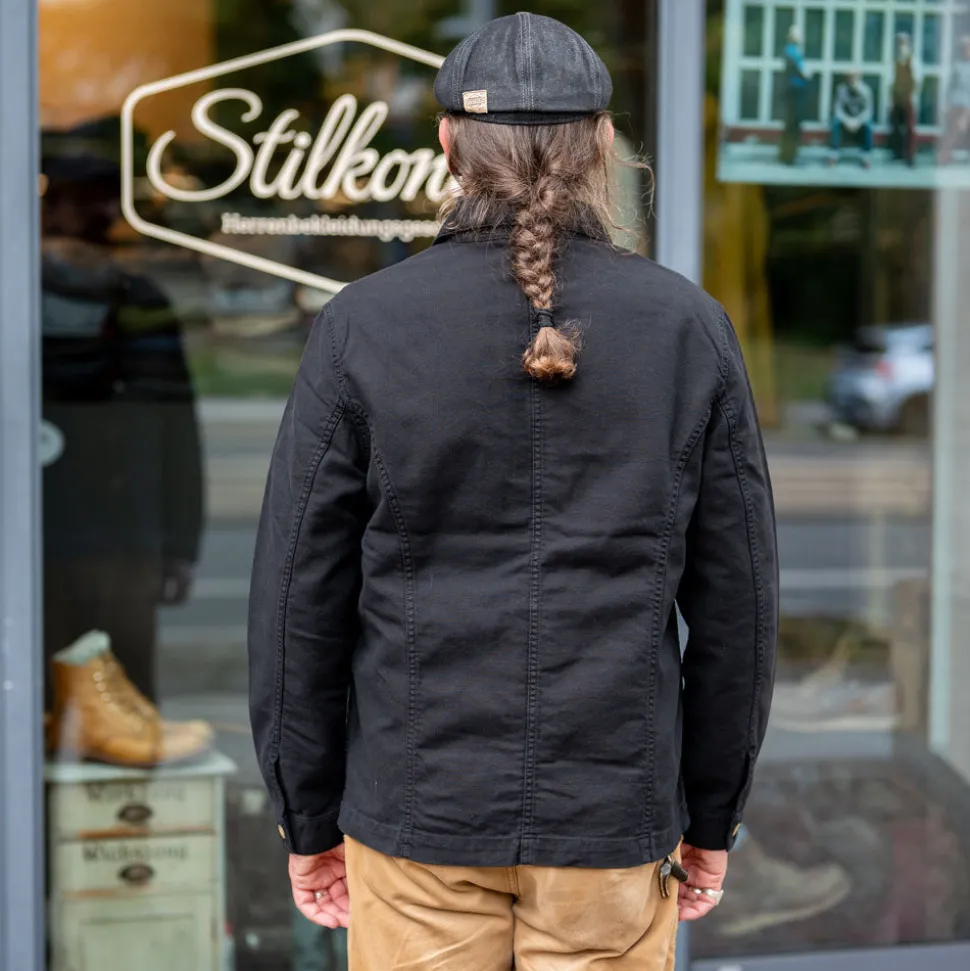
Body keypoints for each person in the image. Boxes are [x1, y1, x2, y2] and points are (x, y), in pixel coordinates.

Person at [249, 13, 778, 971]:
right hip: (610, 815)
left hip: (418, 810)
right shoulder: (686, 326)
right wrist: (712, 815)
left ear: (447, 143)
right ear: (604, 145)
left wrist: (307, 816)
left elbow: (297, 599)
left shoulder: (365, 325)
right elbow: (738, 609)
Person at [41, 127, 204, 710]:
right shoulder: (20, 296)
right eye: (83, 201)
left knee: (122, 704)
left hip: (119, 535)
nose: (99, 214)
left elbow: (174, 427)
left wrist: (179, 543)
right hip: (52, 529)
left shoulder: (137, 298)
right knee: (43, 701)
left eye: (105, 200)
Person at [829, 72, 874, 168]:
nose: (852, 80)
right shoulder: (841, 89)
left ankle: (866, 157)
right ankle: (833, 155)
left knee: (868, 125)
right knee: (835, 123)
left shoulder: (866, 90)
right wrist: (847, 121)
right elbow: (837, 108)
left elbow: (868, 110)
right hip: (846, 119)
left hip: (859, 119)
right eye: (850, 77)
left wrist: (858, 122)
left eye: (854, 77)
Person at [780, 24, 810, 165]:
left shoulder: (793, 51)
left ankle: (788, 154)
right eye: (799, 34)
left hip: (795, 91)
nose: (802, 37)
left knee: (792, 124)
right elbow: (804, 72)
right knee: (793, 124)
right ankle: (788, 156)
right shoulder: (792, 52)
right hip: (794, 92)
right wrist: (807, 74)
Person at [938, 35, 970, 165]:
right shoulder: (957, 65)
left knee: (965, 130)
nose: (965, 51)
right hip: (956, 103)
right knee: (952, 131)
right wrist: (947, 104)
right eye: (963, 48)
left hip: (968, 104)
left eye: (967, 48)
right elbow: (951, 86)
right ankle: (945, 156)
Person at [890, 32, 919, 165]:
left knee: (910, 128)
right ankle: (898, 153)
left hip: (909, 98)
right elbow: (892, 80)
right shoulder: (895, 60)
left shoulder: (913, 60)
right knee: (896, 126)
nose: (901, 45)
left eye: (903, 42)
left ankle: (910, 155)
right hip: (897, 97)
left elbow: (917, 80)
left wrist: (911, 95)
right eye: (899, 42)